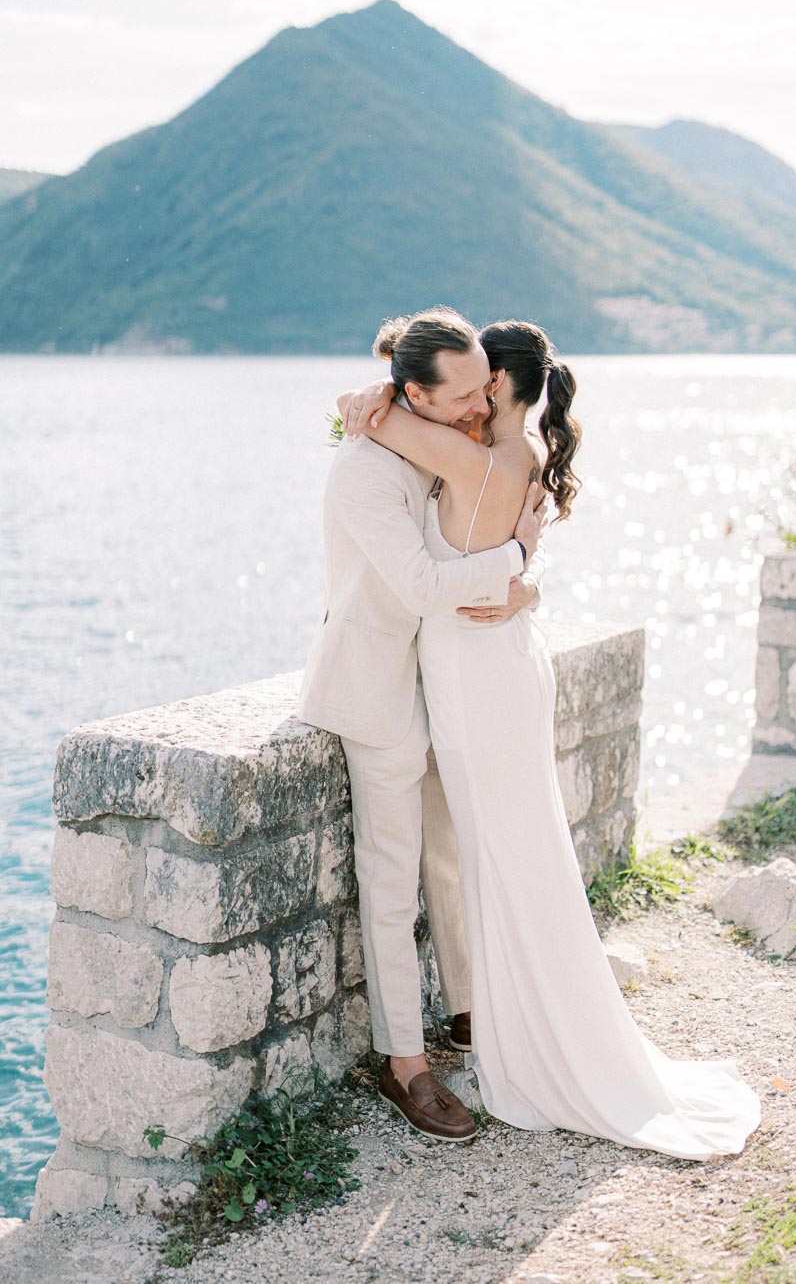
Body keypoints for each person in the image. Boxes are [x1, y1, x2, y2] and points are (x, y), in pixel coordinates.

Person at [336, 317, 762, 1160]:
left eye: (478, 381)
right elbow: (487, 532)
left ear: (495, 386)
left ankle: (529, 1039)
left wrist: (370, 392)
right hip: (504, 660)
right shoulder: (523, 457)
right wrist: (521, 569)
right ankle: (525, 1019)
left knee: (502, 853)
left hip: (471, 672)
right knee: (520, 849)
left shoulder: (467, 455)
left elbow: (379, 425)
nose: (469, 394)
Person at [297, 307, 548, 1143]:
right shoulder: (362, 470)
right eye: (467, 395)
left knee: (452, 853)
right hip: (377, 688)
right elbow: (415, 581)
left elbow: (459, 532)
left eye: (487, 389)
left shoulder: (434, 438)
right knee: (393, 869)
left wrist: (522, 588)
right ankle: (404, 1064)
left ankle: (471, 1010)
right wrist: (515, 560)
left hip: (445, 678)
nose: (482, 407)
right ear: (416, 395)